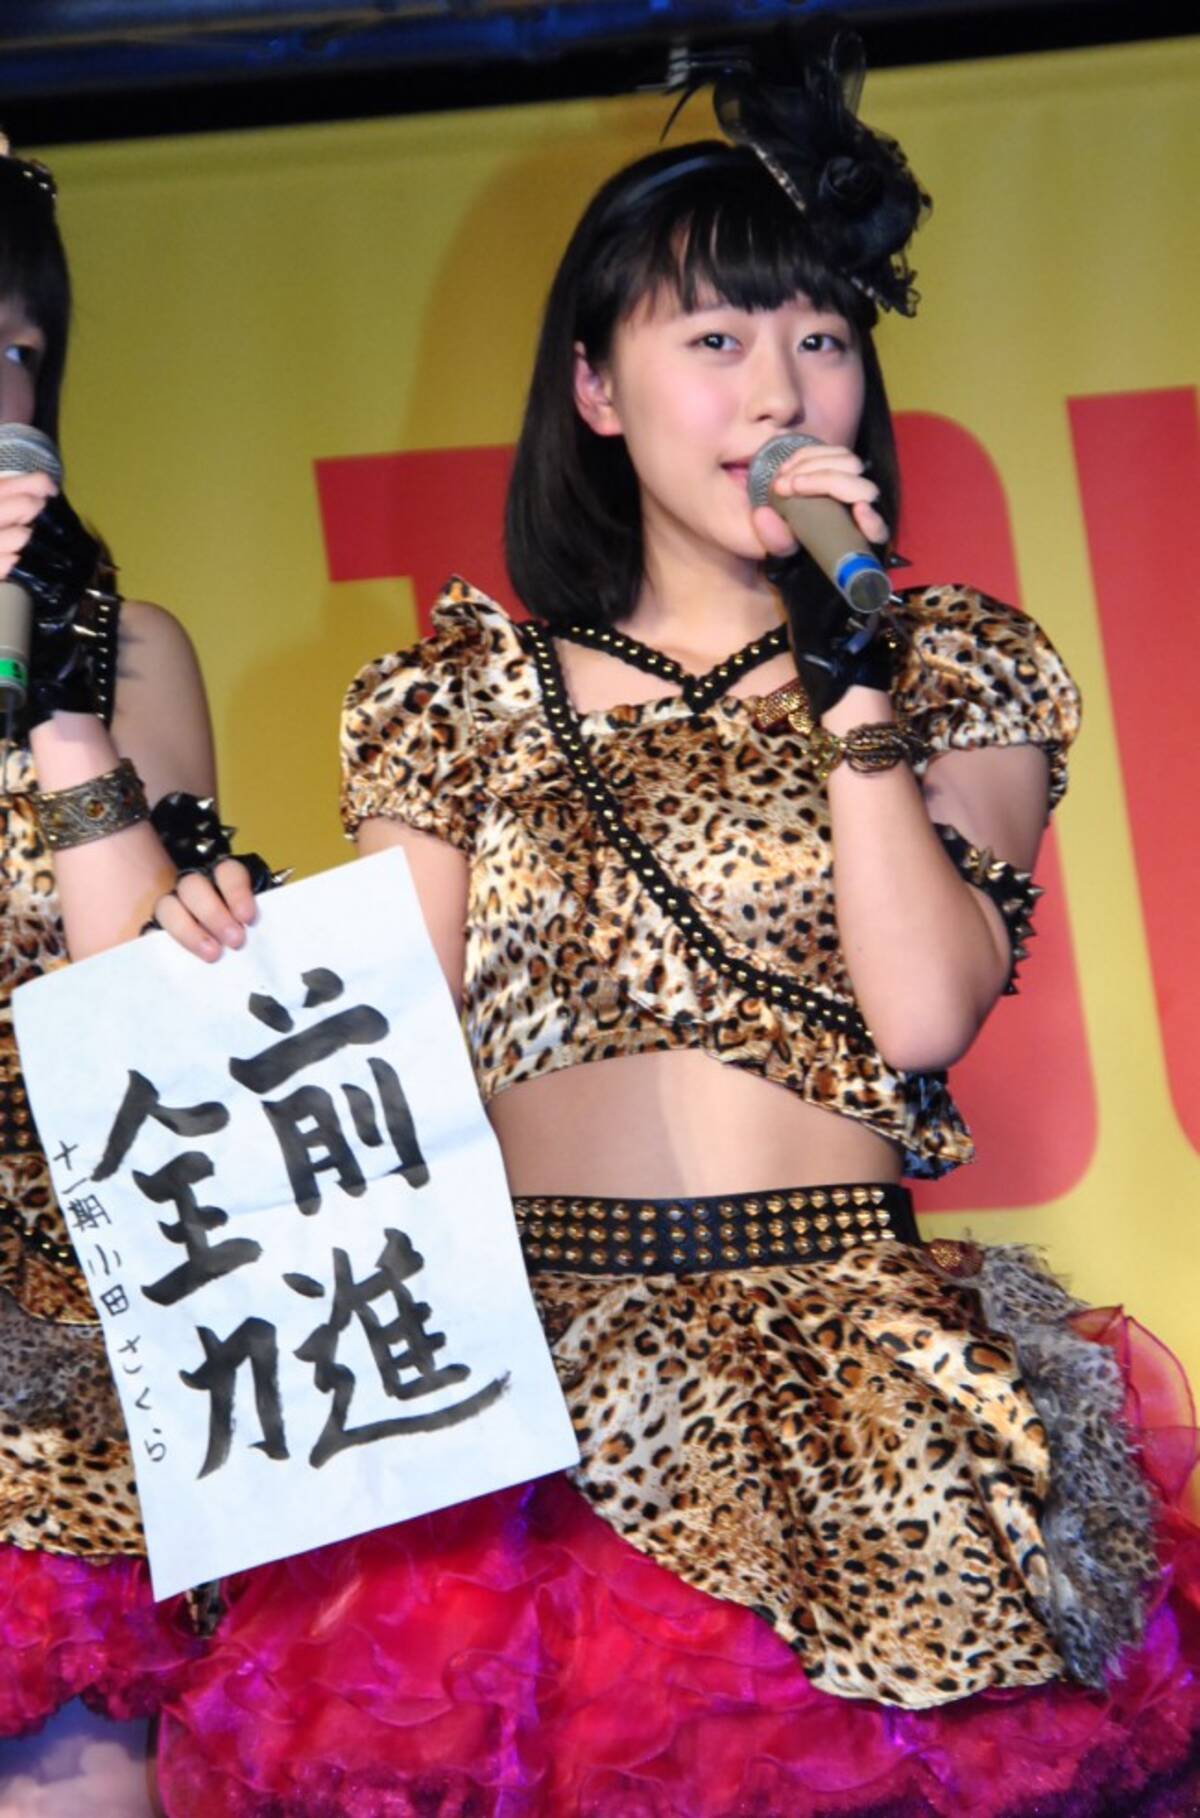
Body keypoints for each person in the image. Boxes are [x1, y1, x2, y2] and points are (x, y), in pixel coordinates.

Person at [125, 35, 1200, 1817]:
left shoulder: (960, 667)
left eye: (822, 339)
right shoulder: (459, 699)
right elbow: (374, 1045)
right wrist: (225, 930)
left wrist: (853, 683)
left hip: (859, 1390)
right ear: (597, 389)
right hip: (533, 1410)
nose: (780, 388)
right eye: (715, 339)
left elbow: (924, 1008)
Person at [0, 140, 263, 1769]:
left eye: (14, 351)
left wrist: (57, 712)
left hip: (62, 1384)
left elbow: (143, 1029)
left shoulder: (121, 649)